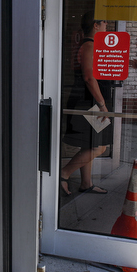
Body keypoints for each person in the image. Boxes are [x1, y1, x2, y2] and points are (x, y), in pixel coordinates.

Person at [59, 12, 114, 195]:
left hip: (86, 100)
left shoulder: (88, 44)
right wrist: (102, 104)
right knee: (99, 146)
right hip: (89, 102)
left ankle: (86, 183)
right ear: (96, 25)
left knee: (89, 144)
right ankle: (64, 173)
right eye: (104, 21)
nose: (107, 24)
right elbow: (89, 77)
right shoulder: (89, 45)